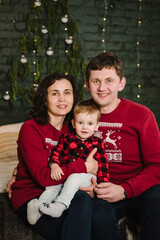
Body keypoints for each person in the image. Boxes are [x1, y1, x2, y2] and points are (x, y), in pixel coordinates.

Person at [9, 72, 98, 240]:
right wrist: (85, 166)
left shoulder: (75, 131)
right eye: (55, 93)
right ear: (45, 98)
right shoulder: (31, 128)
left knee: (88, 207)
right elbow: (43, 177)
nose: (62, 99)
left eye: (67, 93)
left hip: (62, 194)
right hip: (31, 198)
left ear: (74, 97)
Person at [81, 51, 160, 240]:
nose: (102, 88)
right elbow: (56, 148)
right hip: (100, 190)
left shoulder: (142, 115)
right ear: (86, 84)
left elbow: (157, 166)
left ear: (121, 83)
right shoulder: (79, 114)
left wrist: (125, 189)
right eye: (96, 81)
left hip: (139, 188)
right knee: (96, 218)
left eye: (109, 80)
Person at [27, 99, 109, 224]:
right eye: (80, 122)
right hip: (66, 172)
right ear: (73, 123)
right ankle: (40, 208)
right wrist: (54, 165)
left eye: (90, 124)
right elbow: (57, 153)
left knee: (74, 178)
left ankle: (60, 205)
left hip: (86, 176)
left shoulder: (97, 143)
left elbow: (103, 165)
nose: (85, 127)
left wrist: (101, 186)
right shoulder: (66, 138)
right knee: (52, 184)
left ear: (97, 126)